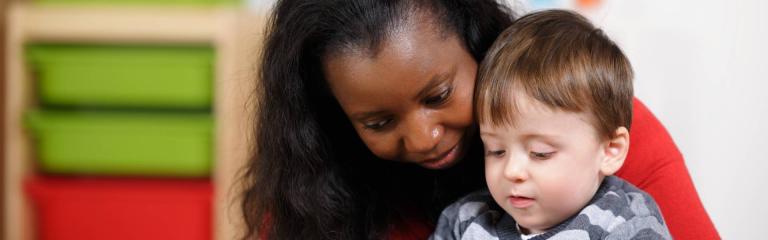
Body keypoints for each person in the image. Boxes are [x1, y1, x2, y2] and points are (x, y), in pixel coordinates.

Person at [242, 0, 718, 239]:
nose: (425, 136)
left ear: (477, 44)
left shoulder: (590, 129)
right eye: (379, 123)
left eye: (440, 94)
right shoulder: (310, 196)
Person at [430, 10, 671, 239]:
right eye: (496, 150)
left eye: (540, 153)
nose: (511, 171)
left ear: (609, 150)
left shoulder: (627, 224)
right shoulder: (465, 219)